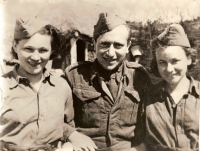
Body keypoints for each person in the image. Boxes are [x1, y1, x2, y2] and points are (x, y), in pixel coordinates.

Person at [65, 13, 151, 151]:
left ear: (128, 46)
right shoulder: (74, 75)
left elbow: (151, 122)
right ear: (94, 43)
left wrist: (140, 148)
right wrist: (72, 135)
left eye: (118, 45)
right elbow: (55, 118)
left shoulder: (139, 76)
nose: (110, 53)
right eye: (105, 44)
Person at [0, 18, 75, 151]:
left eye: (43, 50)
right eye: (28, 49)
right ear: (15, 45)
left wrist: (67, 147)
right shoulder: (3, 87)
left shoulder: (61, 86)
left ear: (51, 51)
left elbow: (69, 130)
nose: (35, 57)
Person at [145, 23, 200, 151]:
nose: (169, 69)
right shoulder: (147, 97)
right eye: (162, 63)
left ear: (189, 59)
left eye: (175, 61)